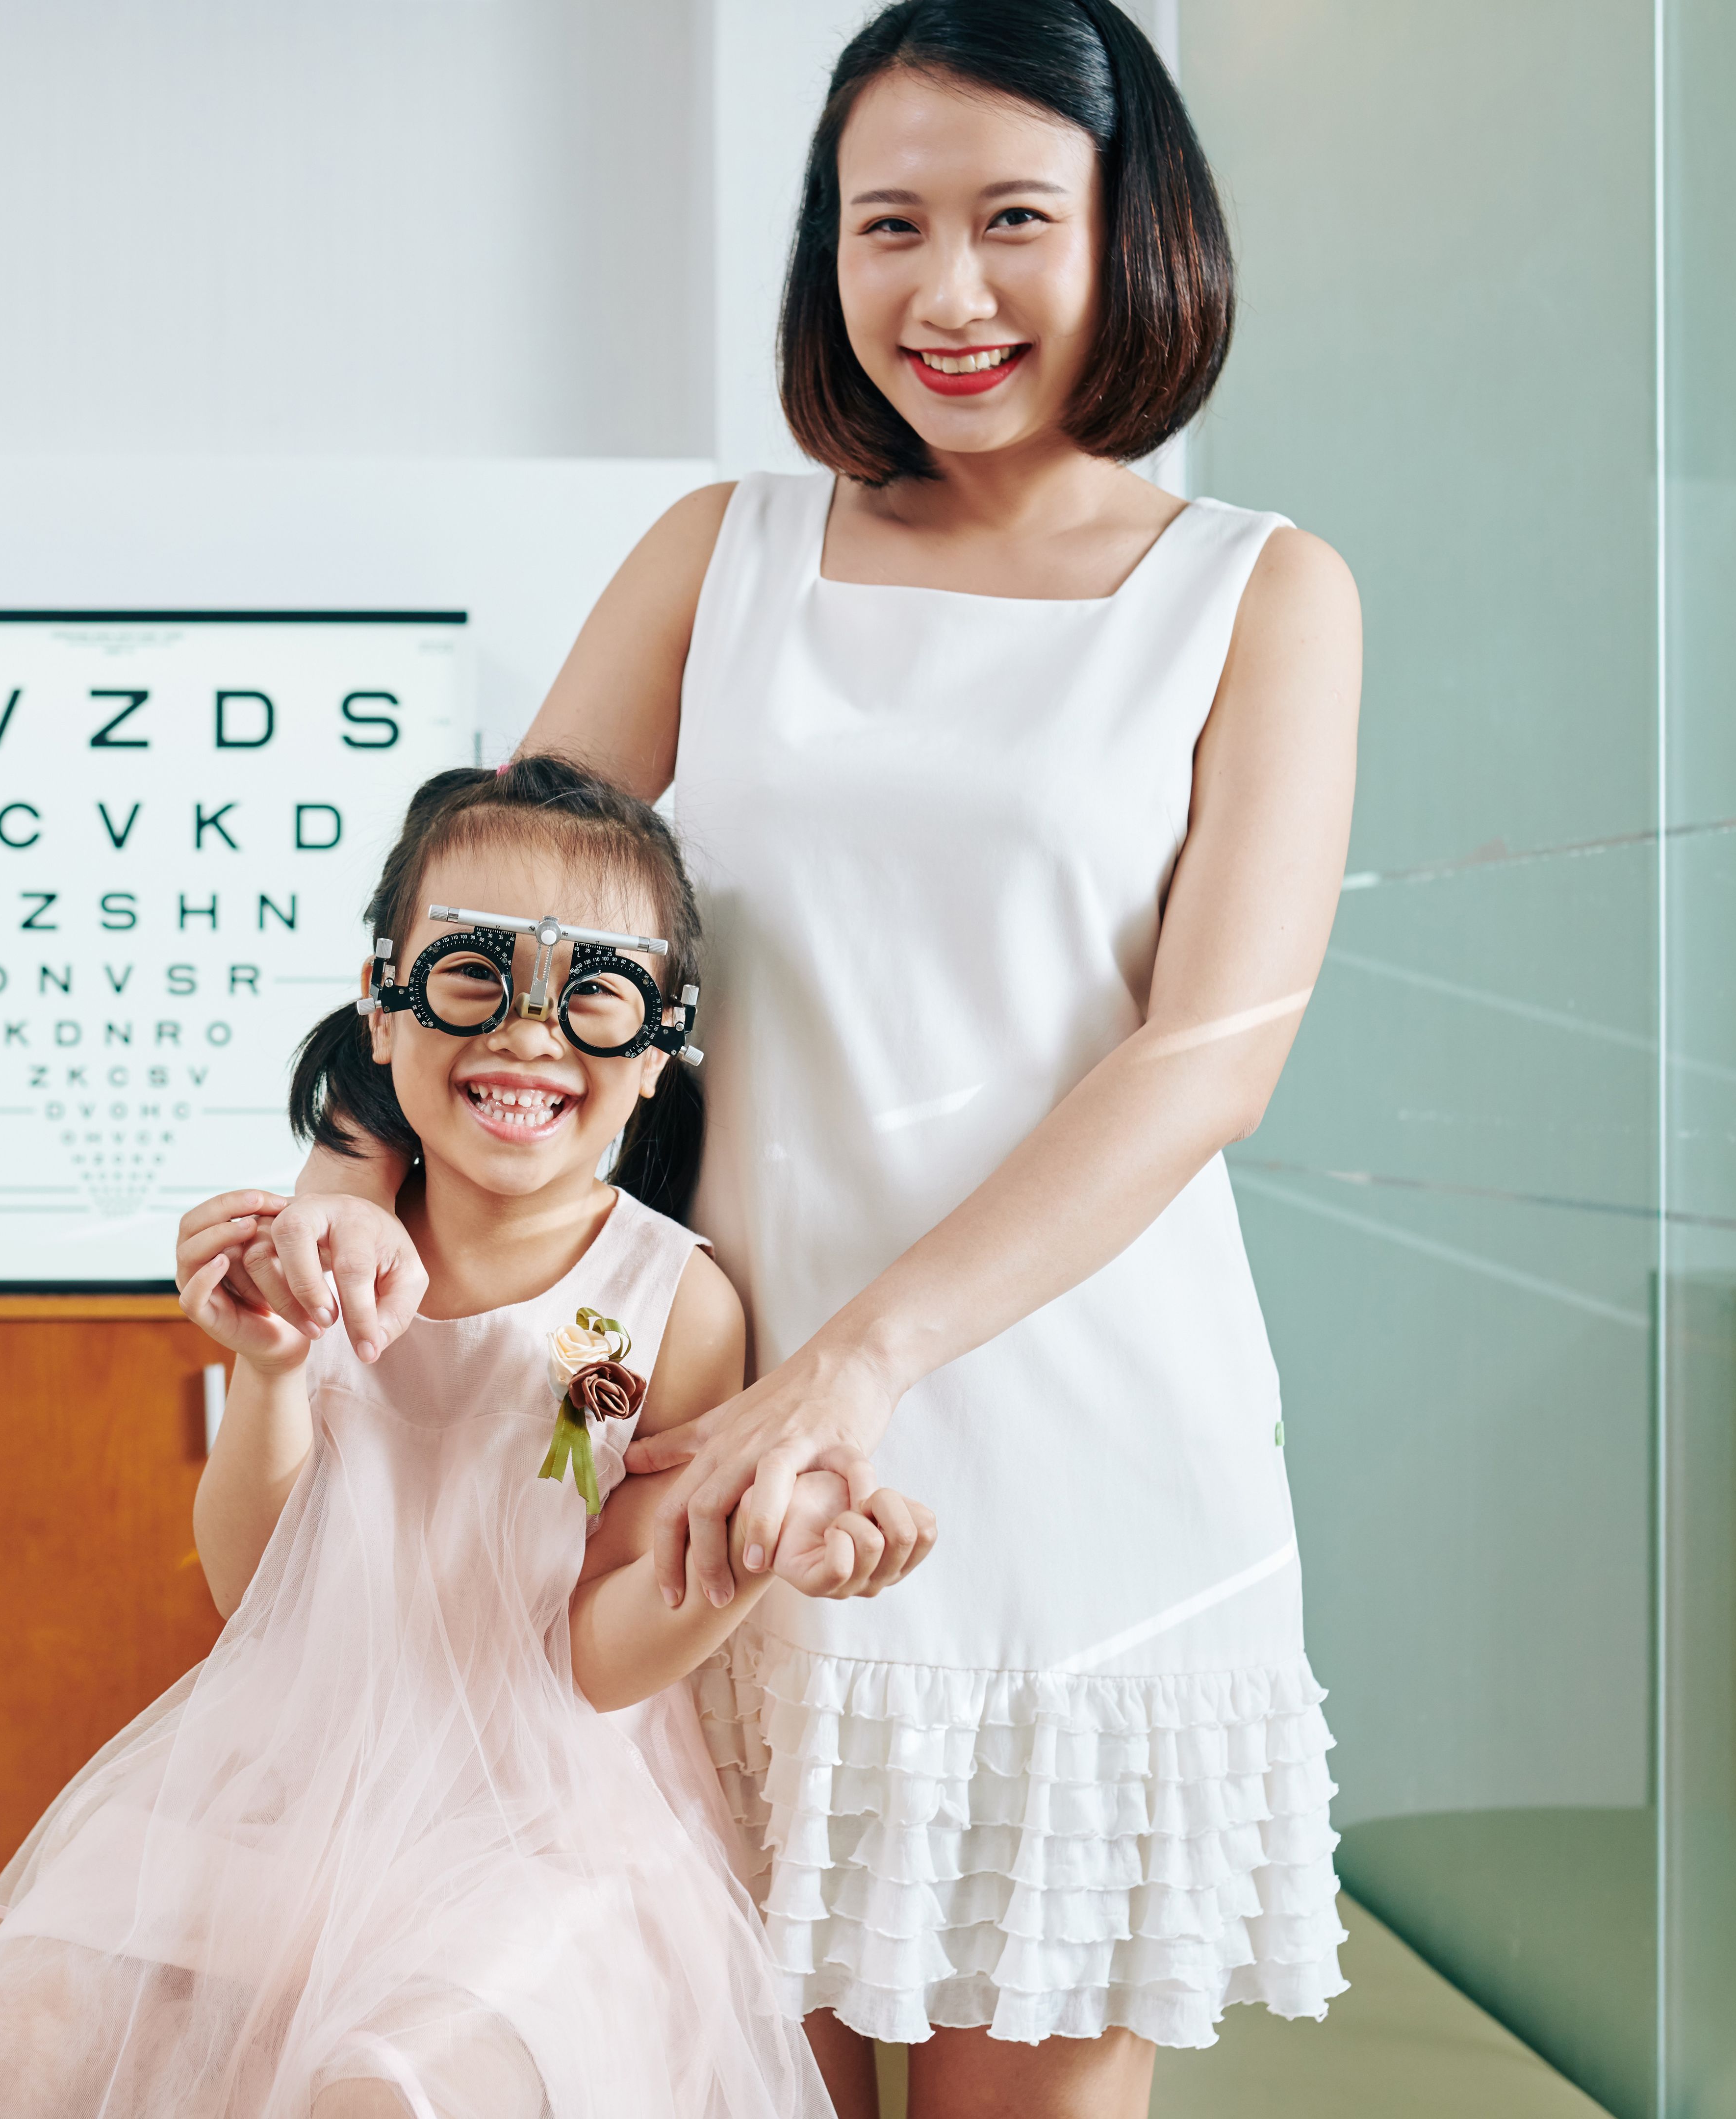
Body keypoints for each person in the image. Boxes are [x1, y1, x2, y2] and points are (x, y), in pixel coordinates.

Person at [222, 5, 1365, 2115]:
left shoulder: (1257, 594)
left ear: (1140, 236)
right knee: (696, 2066)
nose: (947, 291)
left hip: (1071, 1459)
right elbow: (495, 933)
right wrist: (341, 1184)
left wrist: (869, 1362)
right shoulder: (718, 555)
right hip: (696, 1446)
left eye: (1017, 220)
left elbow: (1205, 1059)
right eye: (886, 225)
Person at [0, 758, 937, 2119]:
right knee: (24, 2045)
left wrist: (727, 1570)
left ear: (657, 1048)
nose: (532, 1036)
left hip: (533, 1828)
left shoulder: (639, 1315)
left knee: (387, 2092)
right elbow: (256, 1592)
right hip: (281, 1787)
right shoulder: (321, 1267)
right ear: (382, 1008)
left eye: (594, 993)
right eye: (473, 976)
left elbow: (586, 1653)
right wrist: (269, 1374)